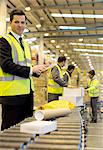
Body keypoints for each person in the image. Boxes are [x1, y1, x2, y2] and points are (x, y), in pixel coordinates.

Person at [0, 9, 49, 130]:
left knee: (26, 129)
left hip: (27, 94)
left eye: (23, 22)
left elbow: (26, 67)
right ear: (10, 23)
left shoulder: (26, 44)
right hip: (12, 95)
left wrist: (38, 70)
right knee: (10, 130)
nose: (20, 25)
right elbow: (6, 65)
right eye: (17, 22)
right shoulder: (4, 40)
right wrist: (31, 70)